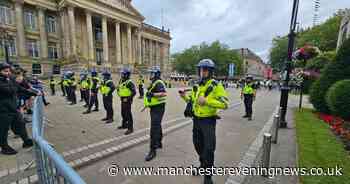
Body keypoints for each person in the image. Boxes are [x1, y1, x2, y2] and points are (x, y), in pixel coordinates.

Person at [179, 59, 229, 184]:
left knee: (209, 148)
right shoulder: (197, 85)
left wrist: (207, 101)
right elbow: (194, 102)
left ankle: (208, 175)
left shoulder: (216, 85)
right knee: (197, 145)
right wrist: (184, 97)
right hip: (196, 120)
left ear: (211, 71)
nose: (203, 72)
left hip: (208, 121)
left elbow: (225, 104)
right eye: (201, 69)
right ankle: (203, 165)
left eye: (205, 69)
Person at [0, 63, 39, 155]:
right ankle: (4, 147)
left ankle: (26, 140)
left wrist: (34, 93)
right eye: (5, 71)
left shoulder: (9, 80)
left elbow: (20, 88)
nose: (8, 73)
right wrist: (16, 82)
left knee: (20, 123)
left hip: (13, 108)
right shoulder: (4, 81)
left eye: (9, 71)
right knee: (3, 129)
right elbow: (10, 91)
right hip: (3, 110)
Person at [144, 66, 167, 162]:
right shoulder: (154, 82)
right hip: (154, 107)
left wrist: (152, 95)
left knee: (154, 128)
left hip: (158, 108)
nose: (151, 75)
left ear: (156, 74)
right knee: (157, 125)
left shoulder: (159, 82)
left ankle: (152, 150)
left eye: (152, 73)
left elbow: (163, 93)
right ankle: (159, 142)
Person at [116, 68, 136, 135]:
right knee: (123, 113)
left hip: (127, 100)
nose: (122, 75)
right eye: (122, 74)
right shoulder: (121, 81)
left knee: (128, 114)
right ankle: (124, 125)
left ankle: (130, 128)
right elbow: (119, 88)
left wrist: (127, 98)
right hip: (122, 99)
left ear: (127, 75)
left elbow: (134, 92)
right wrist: (118, 91)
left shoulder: (129, 82)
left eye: (123, 74)